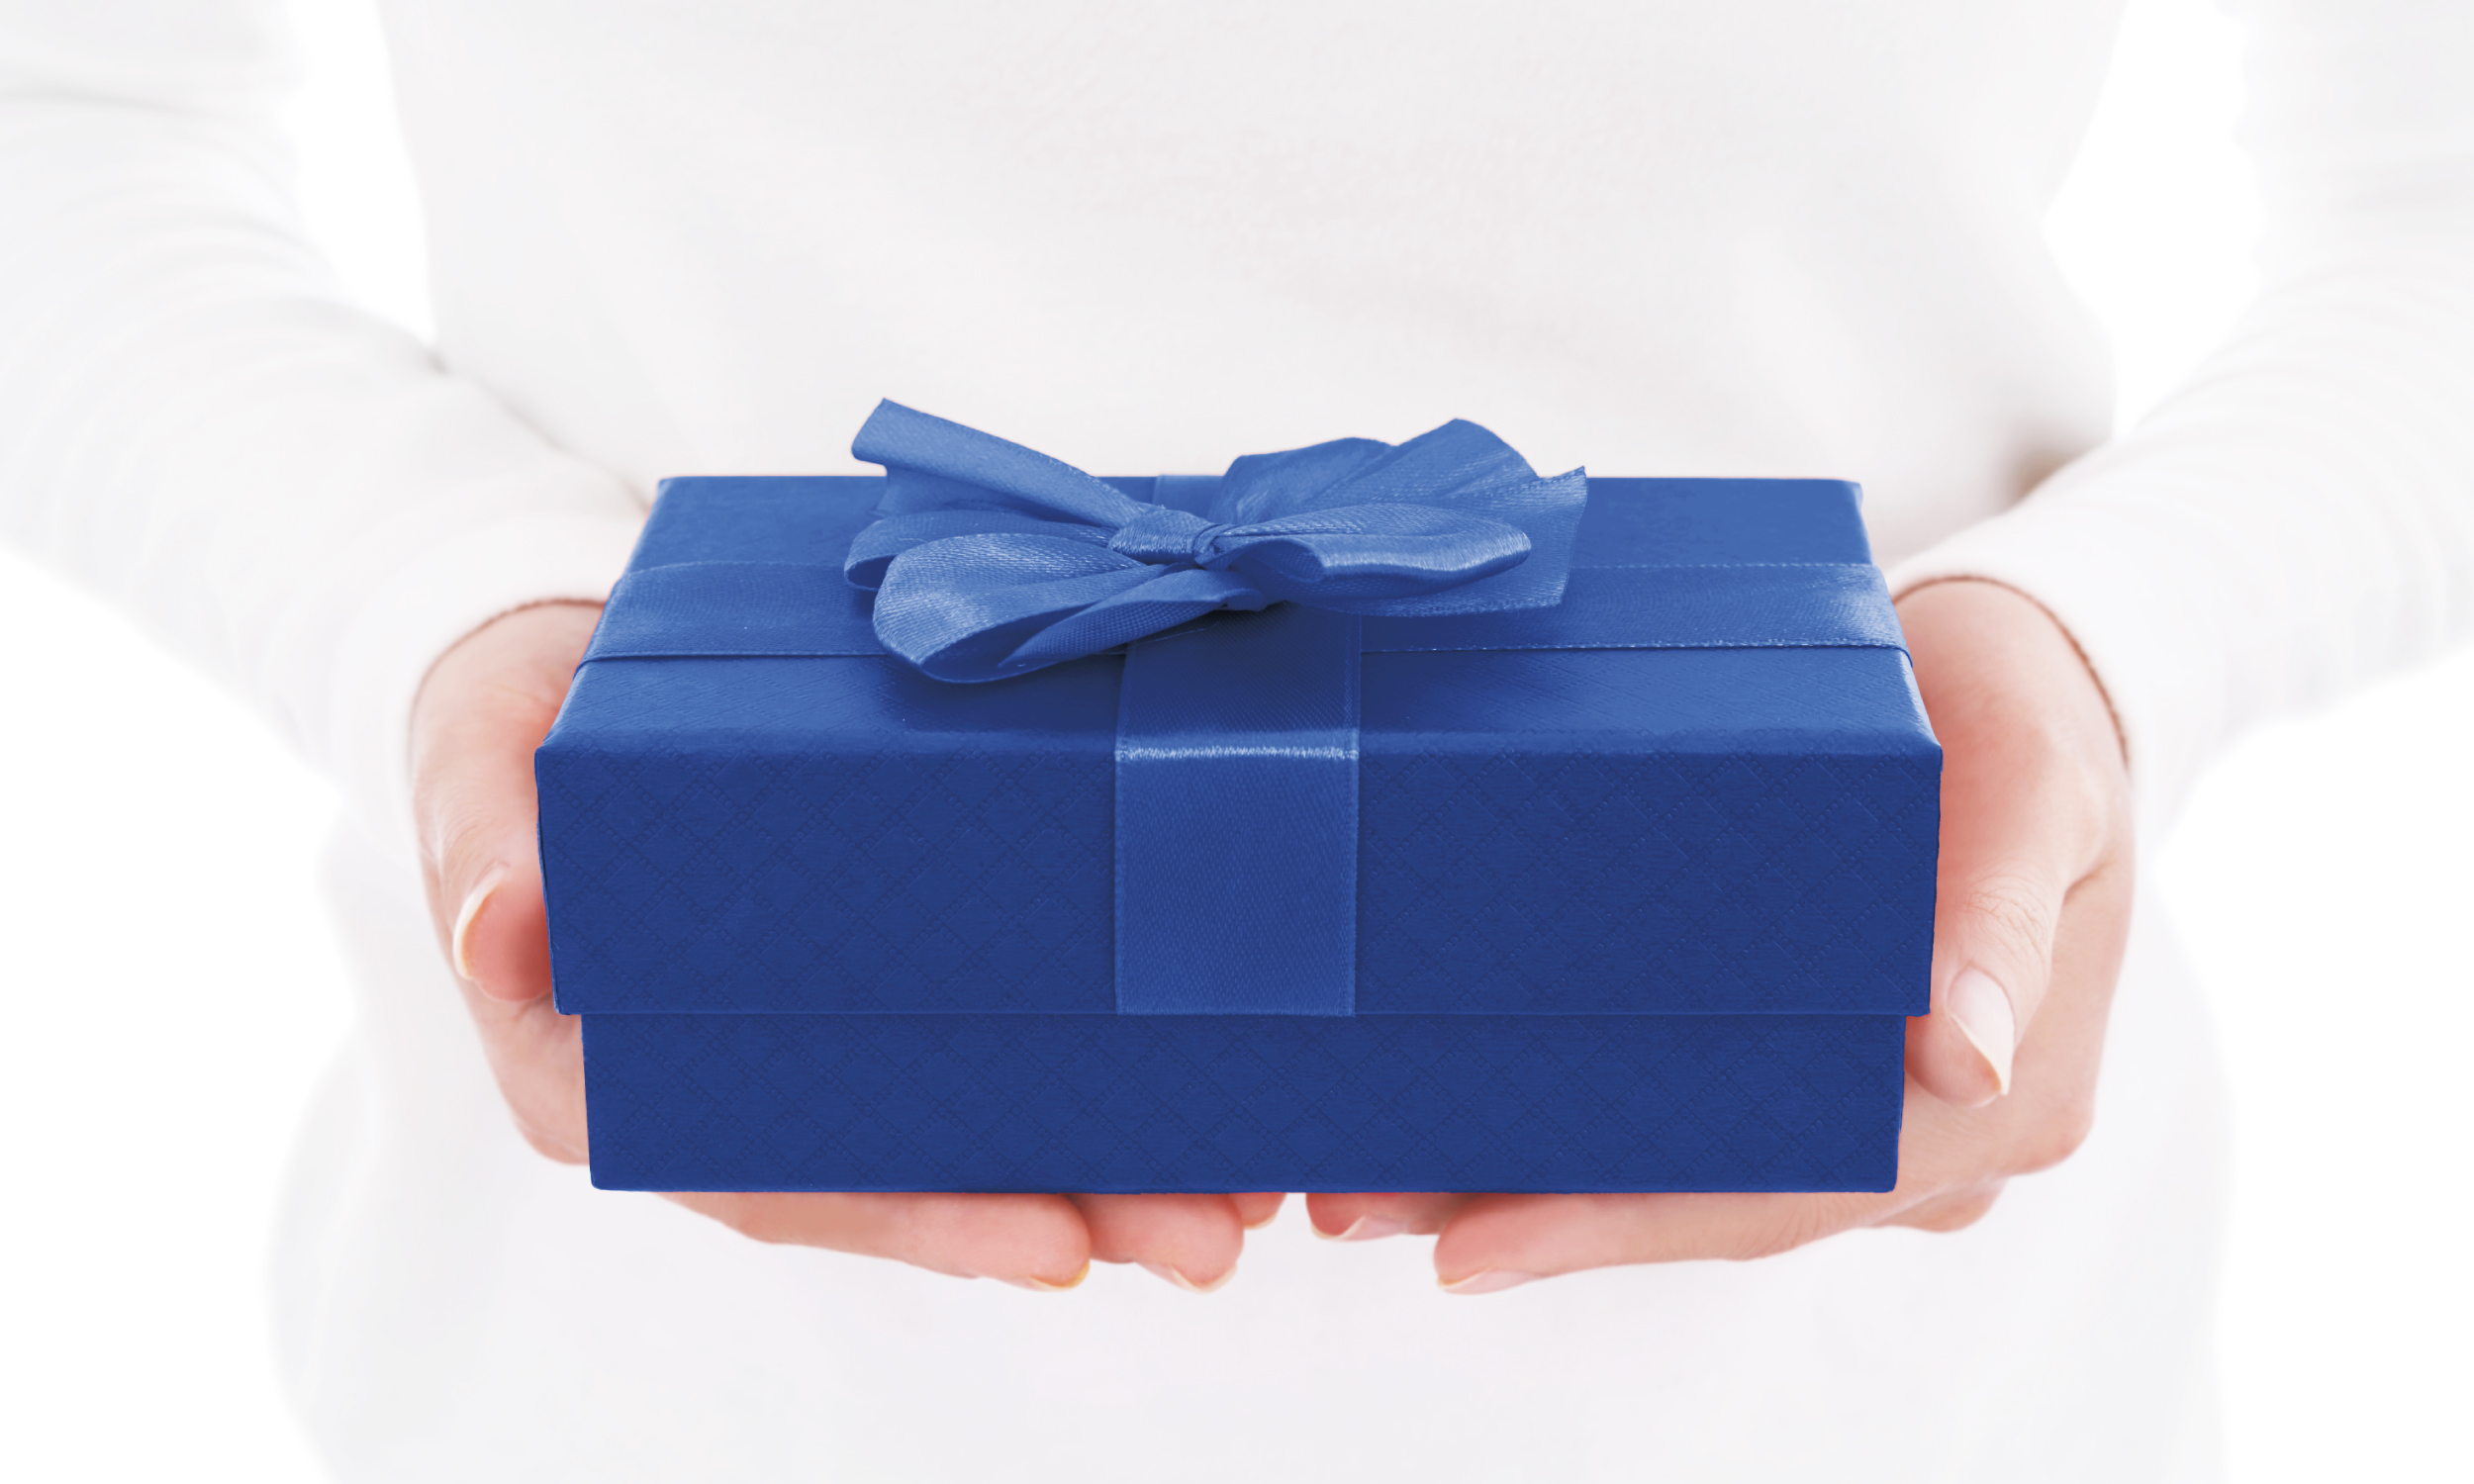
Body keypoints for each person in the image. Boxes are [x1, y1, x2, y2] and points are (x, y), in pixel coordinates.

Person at [3, 1, 2467, 1479]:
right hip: (623, 1391)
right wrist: (448, 603)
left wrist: (2106, 644)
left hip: (1897, 1403)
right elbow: (64, 124)